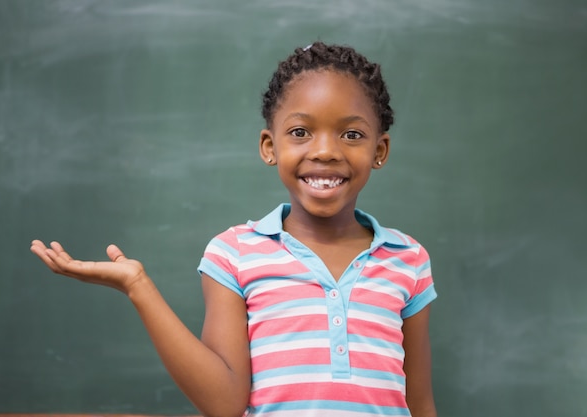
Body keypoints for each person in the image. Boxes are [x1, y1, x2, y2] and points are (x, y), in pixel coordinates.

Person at [31, 41, 437, 417]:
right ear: (269, 146)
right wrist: (138, 287)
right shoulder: (234, 254)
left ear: (379, 150)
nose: (326, 151)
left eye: (352, 134)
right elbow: (223, 403)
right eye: (300, 132)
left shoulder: (408, 260)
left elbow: (418, 400)